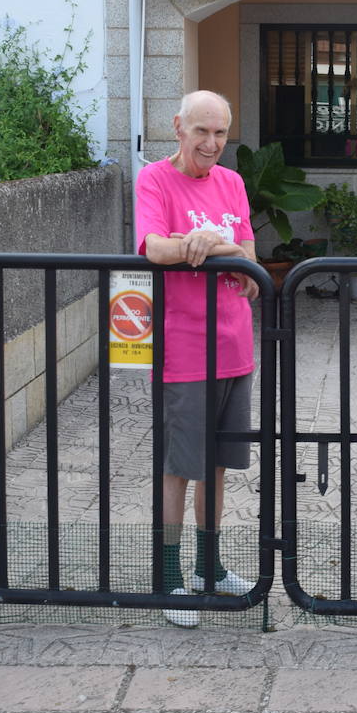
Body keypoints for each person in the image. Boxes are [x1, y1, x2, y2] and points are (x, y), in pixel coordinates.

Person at [136, 90, 259, 627]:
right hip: (184, 351)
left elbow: (251, 265)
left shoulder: (231, 182)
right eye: (201, 131)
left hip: (235, 347)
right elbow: (155, 248)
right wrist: (206, 246)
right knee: (179, 467)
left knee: (216, 466)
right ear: (178, 127)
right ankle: (168, 578)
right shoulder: (155, 180)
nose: (211, 143)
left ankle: (209, 566)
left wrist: (212, 246)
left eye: (220, 132)